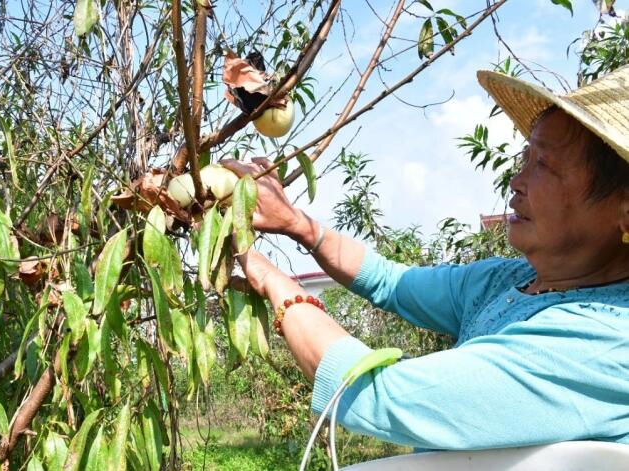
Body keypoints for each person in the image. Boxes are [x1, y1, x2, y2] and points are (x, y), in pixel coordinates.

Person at [221, 64, 629, 450]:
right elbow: (389, 281)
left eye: (545, 165)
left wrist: (278, 284)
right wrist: (297, 223)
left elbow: (375, 395)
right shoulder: (506, 281)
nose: (517, 182)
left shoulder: (605, 344)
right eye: (524, 160)